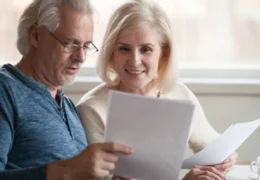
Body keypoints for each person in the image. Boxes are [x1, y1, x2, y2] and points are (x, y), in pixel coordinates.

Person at [76, 0, 238, 179]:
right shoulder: (92, 109)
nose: (135, 60)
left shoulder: (180, 94)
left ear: (164, 54)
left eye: (146, 49)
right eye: (124, 49)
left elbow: (212, 146)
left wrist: (226, 157)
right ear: (111, 52)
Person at [0, 0, 133, 180]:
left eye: (86, 46)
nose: (81, 57)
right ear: (36, 36)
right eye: (70, 43)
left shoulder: (68, 106)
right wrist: (64, 171)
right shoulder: (5, 91)